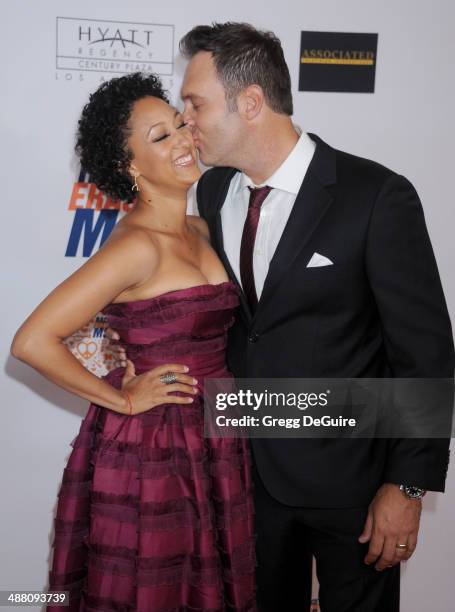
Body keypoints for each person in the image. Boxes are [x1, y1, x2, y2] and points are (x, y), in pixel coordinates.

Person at [176, 22, 454, 612]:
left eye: (195, 103)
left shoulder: (376, 196)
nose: (185, 121)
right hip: (244, 477)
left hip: (350, 486)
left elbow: (425, 352)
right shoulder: (212, 191)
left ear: (250, 103)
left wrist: (406, 487)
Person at [11, 73, 256, 612]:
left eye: (179, 126)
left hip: (216, 435)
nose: (184, 141)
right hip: (156, 448)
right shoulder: (135, 247)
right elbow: (32, 340)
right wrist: (122, 397)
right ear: (129, 169)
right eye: (159, 138)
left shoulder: (201, 229)